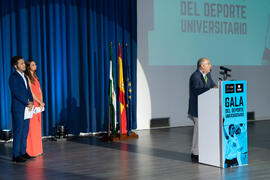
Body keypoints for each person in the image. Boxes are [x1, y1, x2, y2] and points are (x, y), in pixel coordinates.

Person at [188, 58, 217, 162]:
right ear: (202, 66)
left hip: (206, 109)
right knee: (198, 131)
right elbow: (197, 91)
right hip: (197, 109)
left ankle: (203, 151)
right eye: (208, 64)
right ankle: (195, 153)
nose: (210, 66)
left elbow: (213, 85)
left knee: (203, 131)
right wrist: (211, 89)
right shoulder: (195, 76)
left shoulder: (207, 75)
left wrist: (217, 88)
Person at [9, 56, 33, 163]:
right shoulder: (13, 77)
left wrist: (31, 101)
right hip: (19, 108)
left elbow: (28, 91)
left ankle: (23, 152)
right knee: (18, 131)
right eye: (21, 63)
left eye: (24, 63)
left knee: (25, 131)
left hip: (27, 108)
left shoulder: (24, 76)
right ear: (15, 66)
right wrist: (26, 102)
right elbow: (16, 93)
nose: (24, 65)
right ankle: (16, 155)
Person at [25, 59, 45, 157]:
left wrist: (41, 102)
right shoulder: (27, 77)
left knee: (37, 127)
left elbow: (39, 91)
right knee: (32, 128)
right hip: (33, 103)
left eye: (35, 64)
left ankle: (38, 150)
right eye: (33, 64)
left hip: (38, 104)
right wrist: (38, 101)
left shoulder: (36, 77)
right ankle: (31, 150)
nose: (35, 66)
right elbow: (31, 93)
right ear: (29, 67)